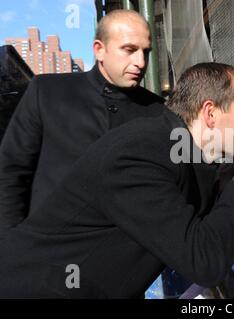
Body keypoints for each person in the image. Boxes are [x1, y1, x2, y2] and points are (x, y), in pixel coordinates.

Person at [0, 62, 234, 298]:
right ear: (211, 113)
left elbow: (201, 232)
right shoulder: (141, 152)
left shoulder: (181, 152)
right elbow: (202, 259)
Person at [0, 10, 165, 229]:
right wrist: (11, 246)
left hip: (125, 255)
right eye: (129, 50)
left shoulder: (157, 111)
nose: (141, 62)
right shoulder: (47, 92)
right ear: (99, 50)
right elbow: (10, 173)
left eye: (146, 52)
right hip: (48, 250)